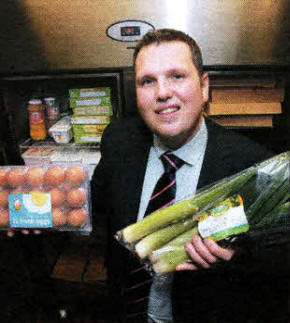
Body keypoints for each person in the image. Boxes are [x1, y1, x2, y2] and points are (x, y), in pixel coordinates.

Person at [91, 29, 275, 323]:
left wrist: (236, 260)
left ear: (204, 87)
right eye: (147, 81)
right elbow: (94, 205)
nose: (162, 92)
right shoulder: (119, 141)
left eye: (177, 76)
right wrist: (38, 214)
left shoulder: (252, 166)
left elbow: (275, 265)